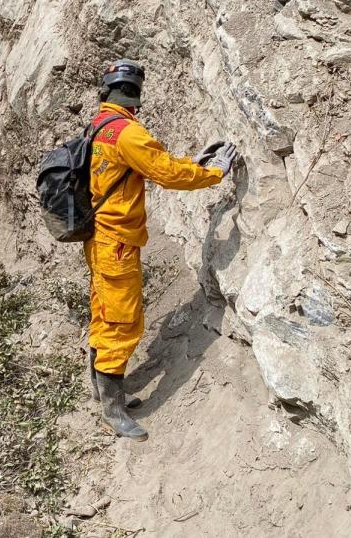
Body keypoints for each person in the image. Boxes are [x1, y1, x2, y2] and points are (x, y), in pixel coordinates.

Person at [85, 59, 239, 441]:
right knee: (122, 323)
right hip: (117, 242)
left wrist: (192, 162)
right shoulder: (128, 133)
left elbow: (150, 166)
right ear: (136, 95)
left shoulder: (100, 125)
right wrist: (213, 173)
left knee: (104, 313)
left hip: (100, 236)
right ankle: (112, 409)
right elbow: (165, 173)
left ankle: (104, 390)